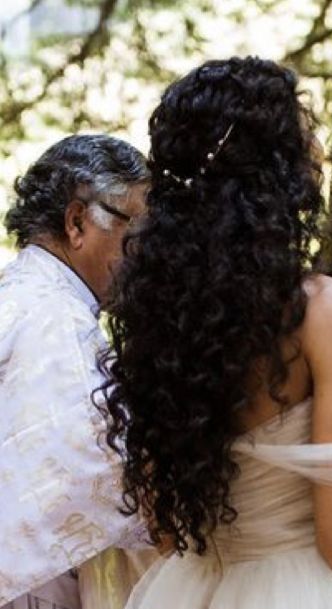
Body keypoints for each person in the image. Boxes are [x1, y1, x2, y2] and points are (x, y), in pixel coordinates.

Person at [100, 57, 332, 609]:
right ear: (283, 171)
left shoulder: (159, 320)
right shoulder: (331, 313)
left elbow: (168, 529)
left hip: (192, 587)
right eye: (307, 137)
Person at [0, 134, 155, 609]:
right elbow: (82, 468)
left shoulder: (22, 293)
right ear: (77, 221)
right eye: (139, 230)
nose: (146, 252)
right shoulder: (55, 320)